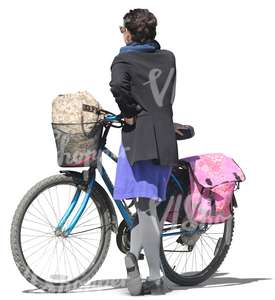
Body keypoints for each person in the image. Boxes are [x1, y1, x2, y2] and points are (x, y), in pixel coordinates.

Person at [109, 8, 178, 296]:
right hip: (164, 134)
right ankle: (132, 256)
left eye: (122, 29)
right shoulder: (168, 57)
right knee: (145, 207)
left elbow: (117, 86)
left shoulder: (124, 58)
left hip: (140, 140)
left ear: (129, 32)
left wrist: (129, 113)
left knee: (146, 207)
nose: (121, 34)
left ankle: (155, 278)